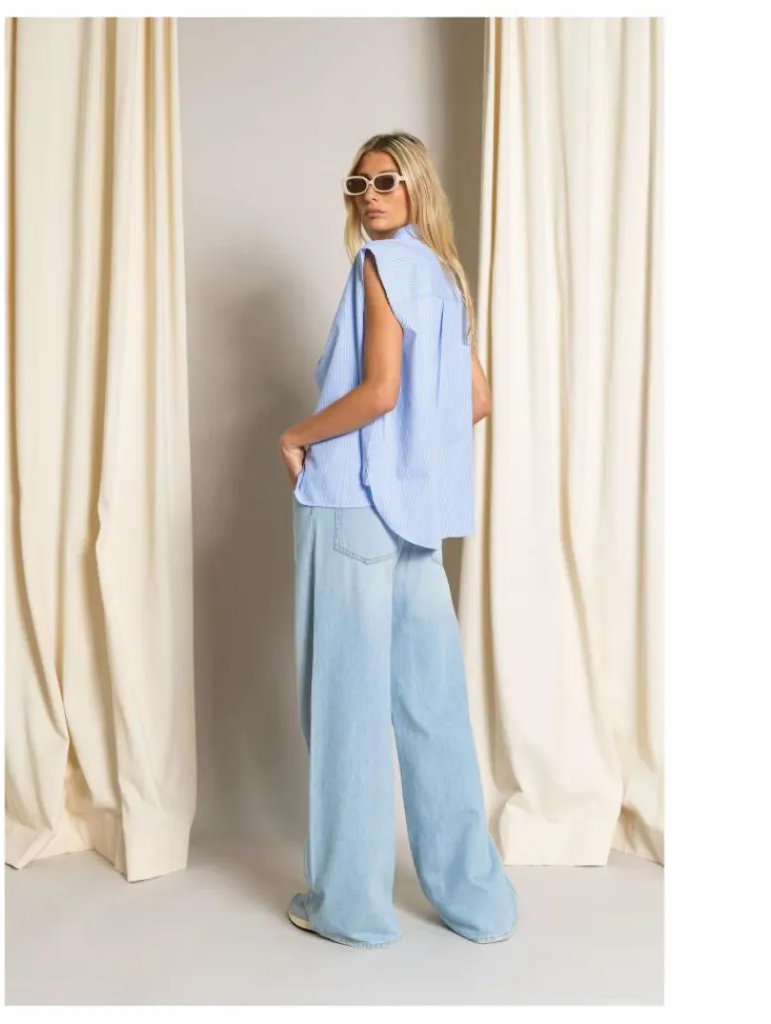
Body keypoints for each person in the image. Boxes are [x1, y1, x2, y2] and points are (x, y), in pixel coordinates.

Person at [278, 132, 519, 949]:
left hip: (351, 509)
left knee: (346, 710)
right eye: (359, 184)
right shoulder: (444, 276)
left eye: (386, 181)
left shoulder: (378, 266)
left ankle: (351, 909)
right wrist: (417, 461)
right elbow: (476, 400)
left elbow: (380, 392)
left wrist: (297, 435)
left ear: (416, 188)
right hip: (414, 520)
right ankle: (478, 902)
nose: (370, 196)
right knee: (432, 707)